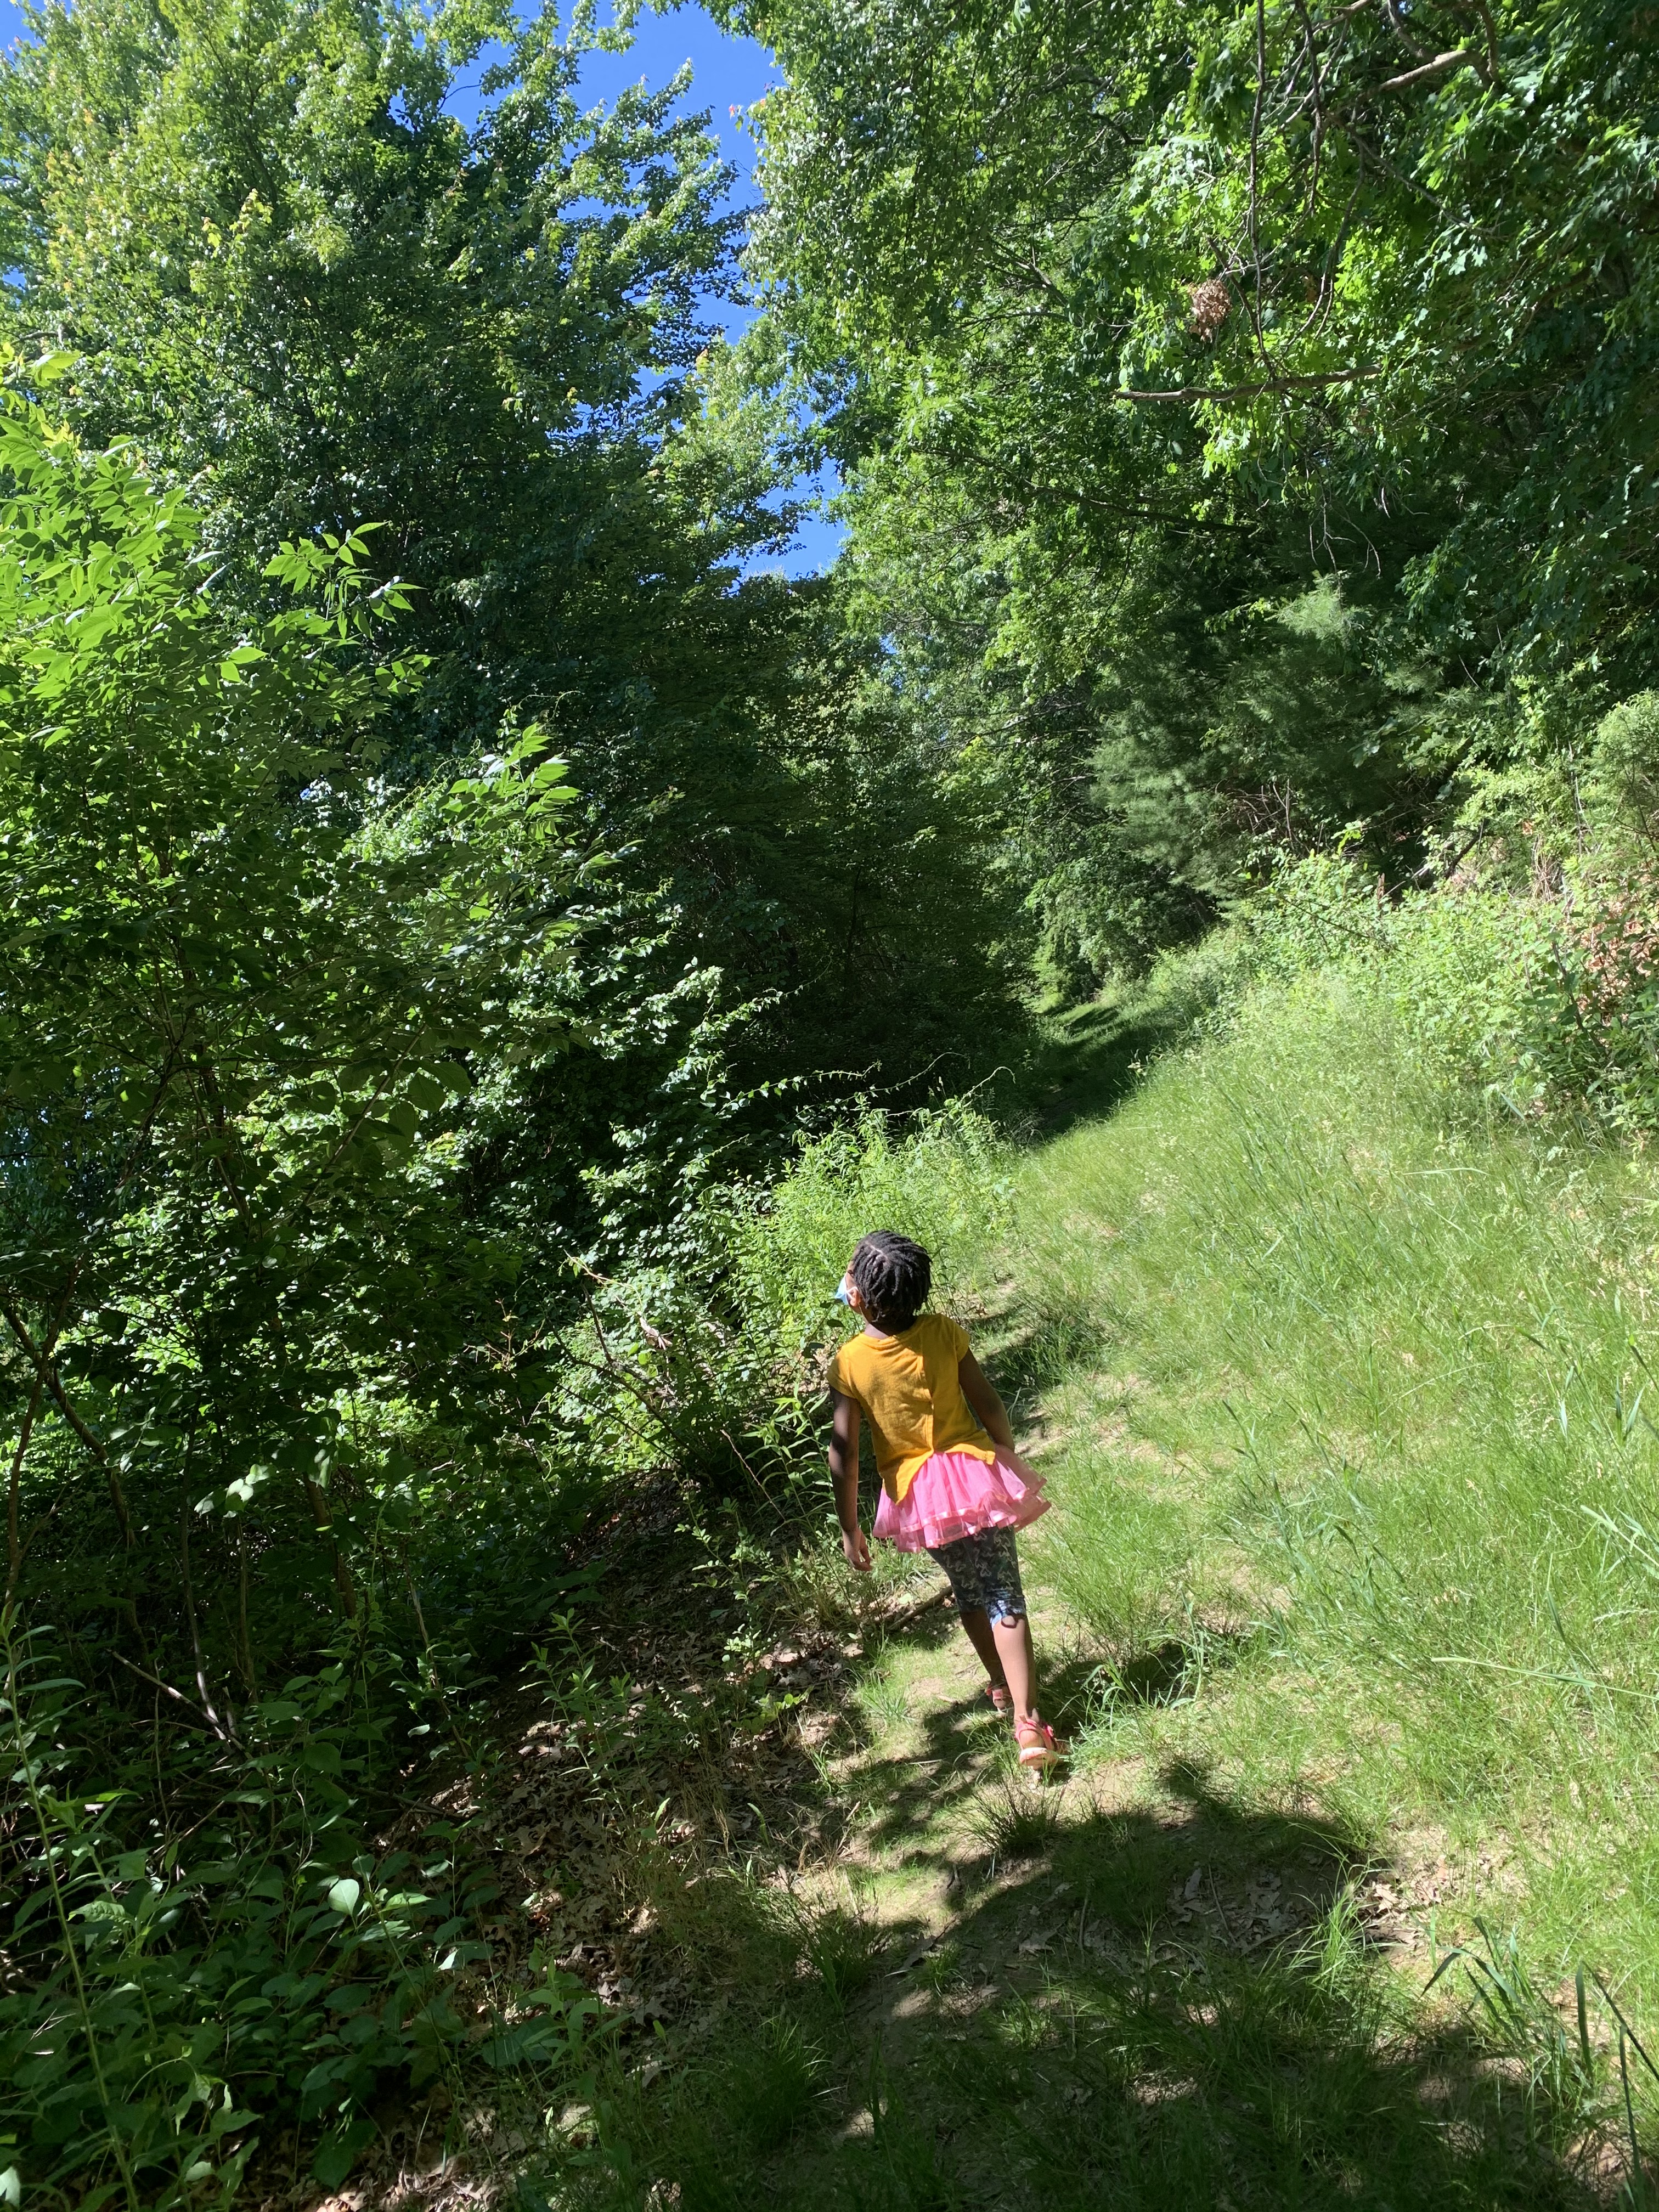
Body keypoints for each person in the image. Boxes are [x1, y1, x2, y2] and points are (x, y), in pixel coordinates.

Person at [826, 1229, 1063, 1773]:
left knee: (969, 1590)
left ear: (860, 1297)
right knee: (1003, 1592)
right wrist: (1004, 1453)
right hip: (975, 1477)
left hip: (918, 1496)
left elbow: (845, 1453)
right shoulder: (942, 1332)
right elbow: (988, 1402)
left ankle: (1002, 1684)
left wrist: (849, 1526)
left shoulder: (851, 1362)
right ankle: (1028, 1723)